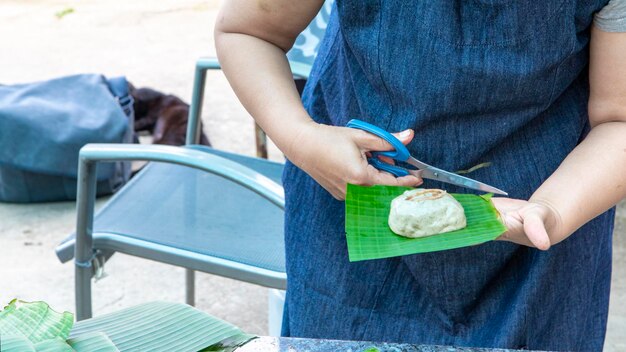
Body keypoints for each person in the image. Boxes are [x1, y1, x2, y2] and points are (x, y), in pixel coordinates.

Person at [214, 1, 626, 350]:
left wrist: (552, 209)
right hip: (352, 213)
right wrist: (301, 138)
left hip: (552, 219)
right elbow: (247, 32)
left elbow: (618, 119)